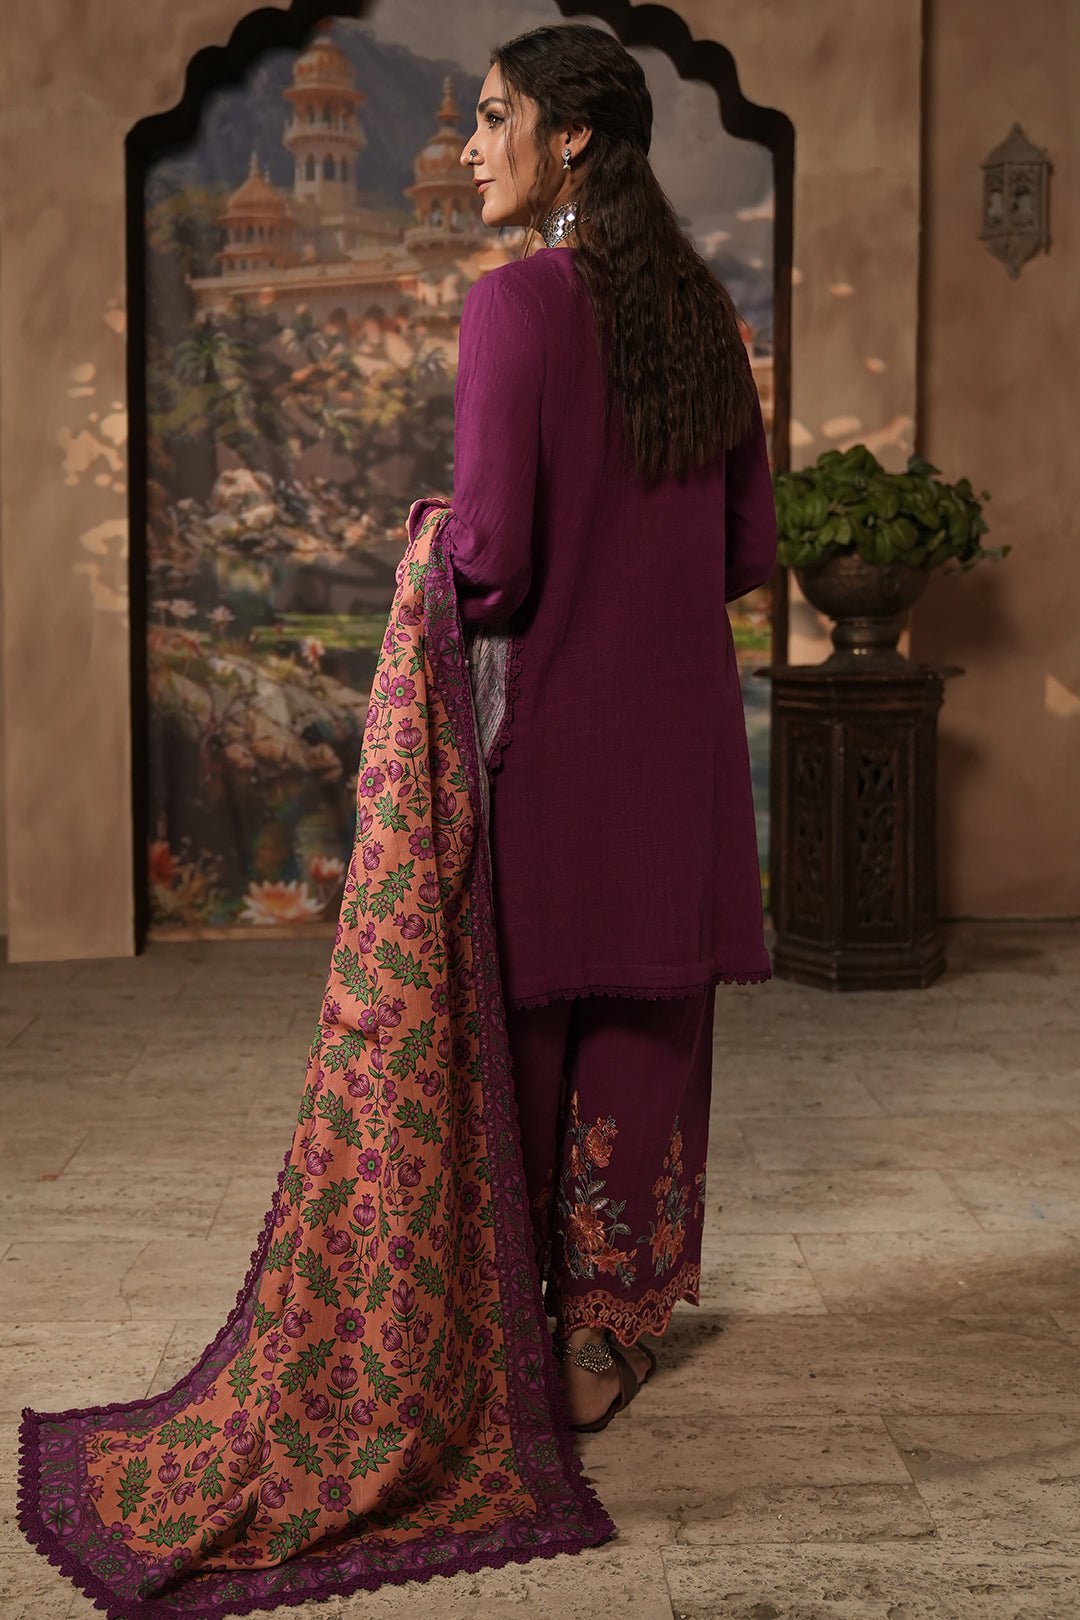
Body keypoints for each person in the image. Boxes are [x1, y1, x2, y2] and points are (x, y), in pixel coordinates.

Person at [423, 23, 778, 1433]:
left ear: (569, 136)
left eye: (491, 116)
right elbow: (749, 549)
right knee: (648, 1031)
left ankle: (503, 1337)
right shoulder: (701, 311)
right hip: (681, 753)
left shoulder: (514, 308)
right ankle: (604, 1339)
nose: (469, 146)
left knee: (526, 1040)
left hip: (554, 745)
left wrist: (426, 542)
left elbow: (494, 559)